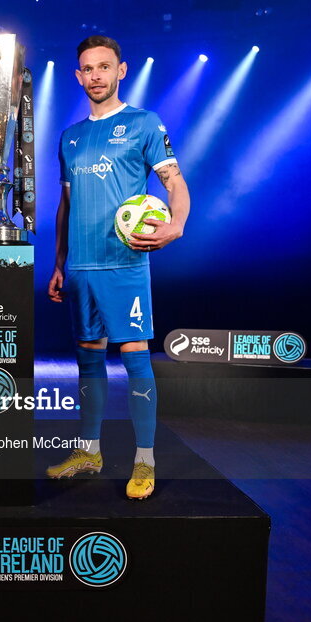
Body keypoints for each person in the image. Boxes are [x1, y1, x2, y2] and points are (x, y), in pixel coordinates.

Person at [46, 36, 191, 500]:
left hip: (125, 263)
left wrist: (176, 225)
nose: (96, 76)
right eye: (87, 69)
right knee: (88, 358)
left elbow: (175, 183)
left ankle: (145, 460)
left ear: (121, 71)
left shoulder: (144, 123)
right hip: (81, 267)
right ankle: (89, 452)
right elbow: (65, 205)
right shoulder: (70, 137)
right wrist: (59, 263)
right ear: (78, 76)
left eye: (104, 67)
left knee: (134, 358)